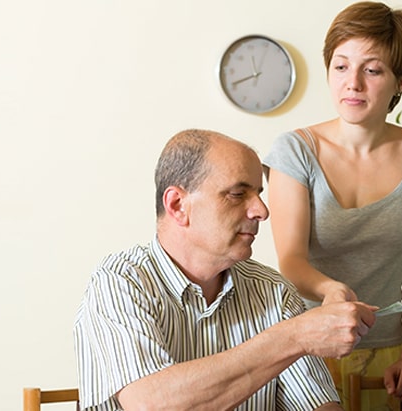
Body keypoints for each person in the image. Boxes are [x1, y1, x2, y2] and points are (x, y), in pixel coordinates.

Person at [73, 129, 378, 411]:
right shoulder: (119, 282)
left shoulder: (274, 292)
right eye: (237, 194)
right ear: (177, 205)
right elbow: (151, 404)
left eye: (258, 193)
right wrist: (295, 336)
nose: (262, 211)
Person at [263, 2, 402, 409]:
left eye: (373, 70)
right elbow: (290, 260)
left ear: (401, 81)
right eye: (341, 66)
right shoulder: (295, 151)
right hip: (307, 348)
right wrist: (331, 290)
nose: (353, 84)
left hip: (390, 355)